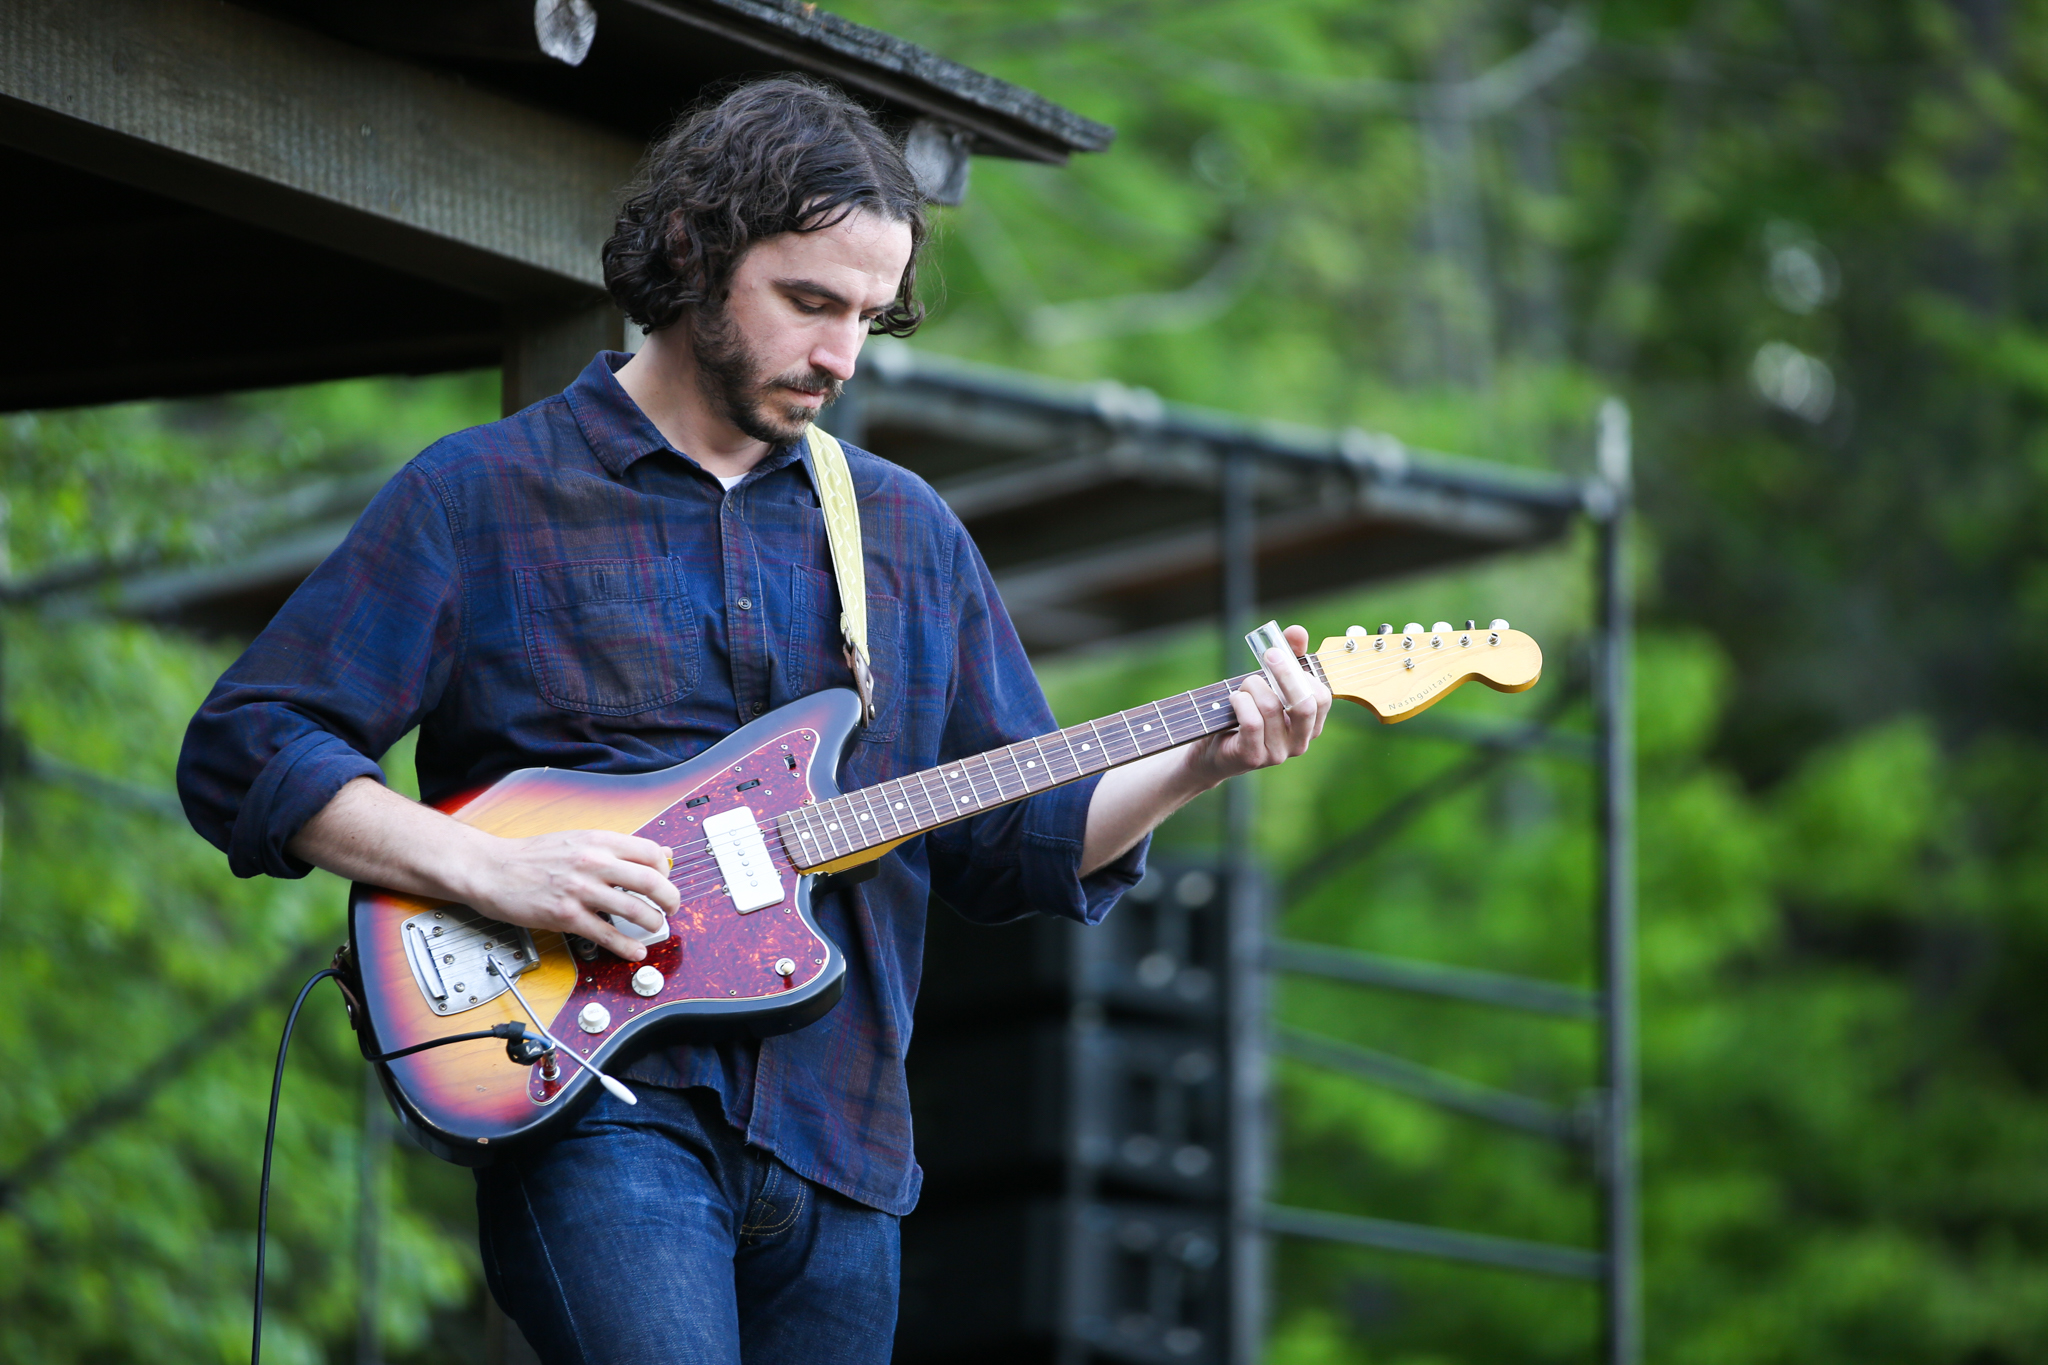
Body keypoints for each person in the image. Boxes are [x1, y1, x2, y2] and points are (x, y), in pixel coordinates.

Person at [178, 76, 1330, 1365]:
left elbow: (1014, 846)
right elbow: (249, 745)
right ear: (692, 249)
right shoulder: (482, 496)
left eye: (868, 318)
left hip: (843, 1146)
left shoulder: (903, 534)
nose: (841, 354)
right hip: (599, 1104)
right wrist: (495, 866)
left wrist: (1199, 763)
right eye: (809, 301)